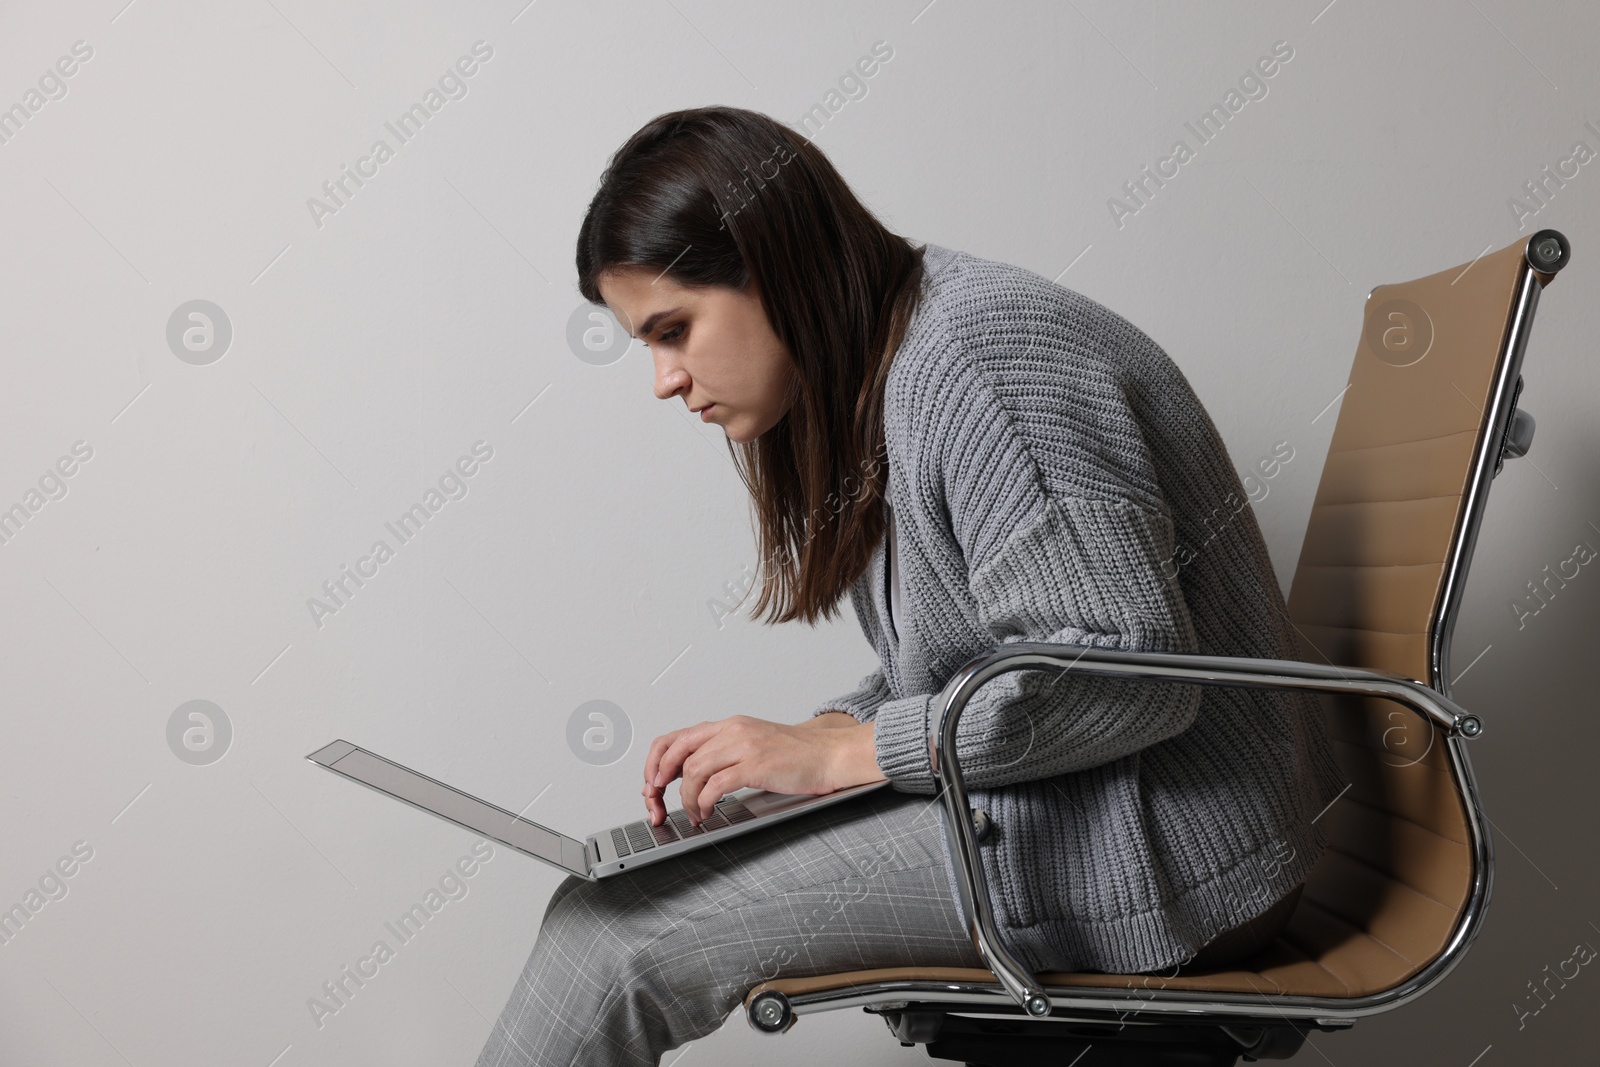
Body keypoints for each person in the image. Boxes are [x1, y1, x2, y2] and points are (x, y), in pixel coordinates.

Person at [474, 105, 1347, 1067]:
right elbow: (974, 664)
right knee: (602, 906)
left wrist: (847, 757)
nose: (663, 380)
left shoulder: (982, 358)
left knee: (612, 936)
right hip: (1069, 807)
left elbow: (1129, 678)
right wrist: (809, 745)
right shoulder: (895, 366)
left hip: (1154, 847)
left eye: (673, 329)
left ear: (775, 264)